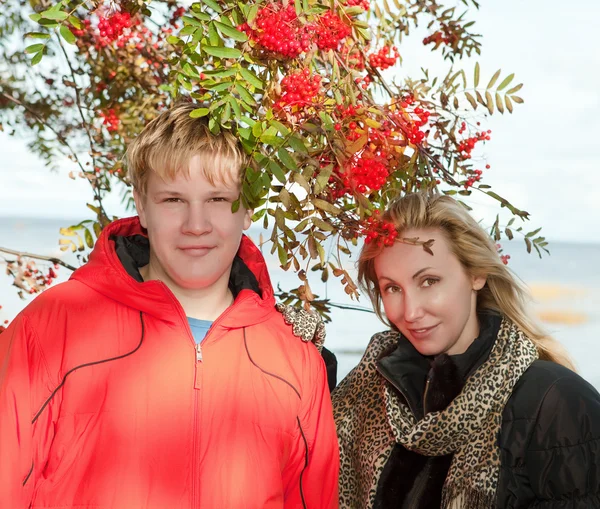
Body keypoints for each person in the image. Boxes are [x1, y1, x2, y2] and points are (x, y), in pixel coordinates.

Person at [0, 102, 339, 508]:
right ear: (142, 206)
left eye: (217, 199)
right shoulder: (51, 327)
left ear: (248, 209)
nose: (196, 224)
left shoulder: (296, 360)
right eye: (173, 200)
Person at [332, 192, 600, 509]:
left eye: (429, 281)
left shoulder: (556, 402)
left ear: (476, 274)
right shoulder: (366, 392)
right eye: (392, 288)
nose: (411, 311)